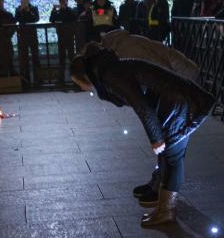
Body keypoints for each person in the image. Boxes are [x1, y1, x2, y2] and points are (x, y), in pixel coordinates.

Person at [71, 43, 215, 227]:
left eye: (79, 84)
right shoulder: (110, 69)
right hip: (172, 104)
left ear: (84, 76)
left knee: (172, 158)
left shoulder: (111, 75)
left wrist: (156, 138)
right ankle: (163, 207)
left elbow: (141, 106)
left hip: (178, 105)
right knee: (168, 157)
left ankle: (167, 212)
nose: (82, 88)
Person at [99, 28, 202, 206]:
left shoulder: (126, 50)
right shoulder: (120, 46)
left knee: (171, 146)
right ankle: (158, 183)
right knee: (165, 143)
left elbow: (160, 70)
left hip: (182, 84)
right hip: (172, 87)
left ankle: (164, 195)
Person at [14, 0, 42, 86]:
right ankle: (25, 80)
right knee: (23, 58)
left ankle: (38, 79)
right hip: (22, 35)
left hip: (32, 35)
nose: (24, 0)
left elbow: (36, 19)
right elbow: (15, 19)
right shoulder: (18, 9)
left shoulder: (34, 8)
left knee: (35, 57)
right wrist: (21, 10)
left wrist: (29, 11)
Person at [50, 0, 78, 83]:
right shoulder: (57, 11)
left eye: (64, 0)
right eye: (61, 0)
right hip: (61, 36)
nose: (62, 2)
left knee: (71, 57)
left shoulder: (70, 10)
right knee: (61, 58)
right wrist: (53, 11)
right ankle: (61, 78)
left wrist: (66, 9)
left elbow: (74, 18)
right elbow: (51, 20)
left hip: (69, 36)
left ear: (67, 1)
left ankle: (76, 78)